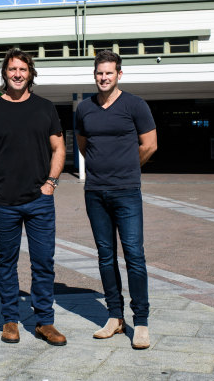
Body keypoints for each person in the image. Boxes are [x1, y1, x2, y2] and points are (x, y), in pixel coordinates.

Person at [0, 48, 67, 346]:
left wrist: (51, 183)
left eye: (23, 70)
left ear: (31, 74)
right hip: (3, 201)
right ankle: (10, 320)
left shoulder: (45, 107)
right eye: (12, 69)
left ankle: (44, 322)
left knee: (43, 262)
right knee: (6, 262)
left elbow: (59, 148)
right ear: (5, 73)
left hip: (39, 200)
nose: (17, 74)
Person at [75, 50, 157, 350]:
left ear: (119, 74)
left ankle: (142, 321)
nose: (103, 77)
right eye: (99, 73)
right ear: (94, 75)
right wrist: (103, 168)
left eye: (109, 73)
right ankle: (114, 316)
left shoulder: (135, 105)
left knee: (134, 256)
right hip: (95, 192)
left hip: (127, 192)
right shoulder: (84, 108)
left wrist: (126, 168)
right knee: (105, 255)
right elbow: (84, 145)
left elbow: (150, 145)